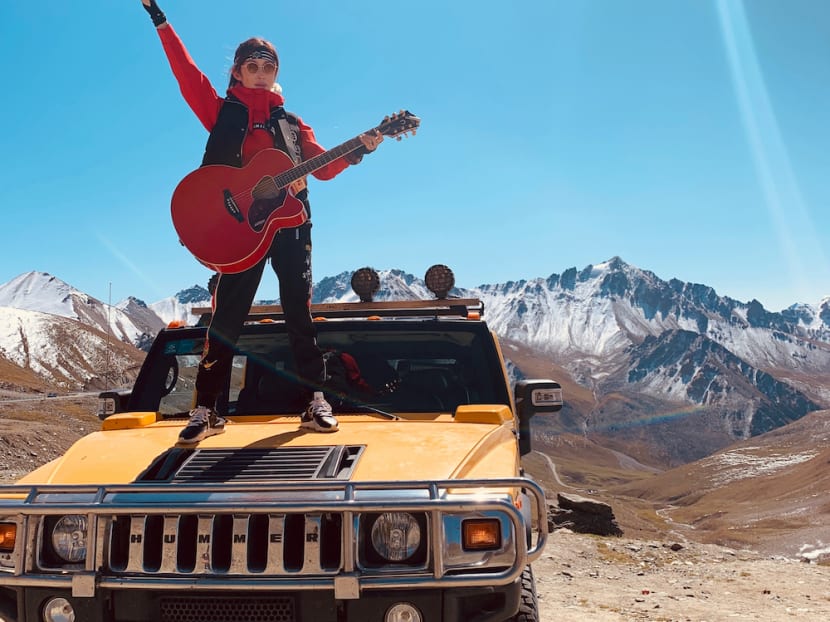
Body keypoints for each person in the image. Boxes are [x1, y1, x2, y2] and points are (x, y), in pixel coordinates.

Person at [138, 0, 383, 443]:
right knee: (226, 317)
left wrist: (359, 148)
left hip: (290, 225)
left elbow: (324, 167)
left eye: (268, 66)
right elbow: (186, 74)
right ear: (237, 71)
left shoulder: (292, 124)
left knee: (299, 313)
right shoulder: (221, 112)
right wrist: (160, 20)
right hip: (237, 231)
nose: (260, 73)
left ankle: (315, 400)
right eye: (252, 66)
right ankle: (207, 408)